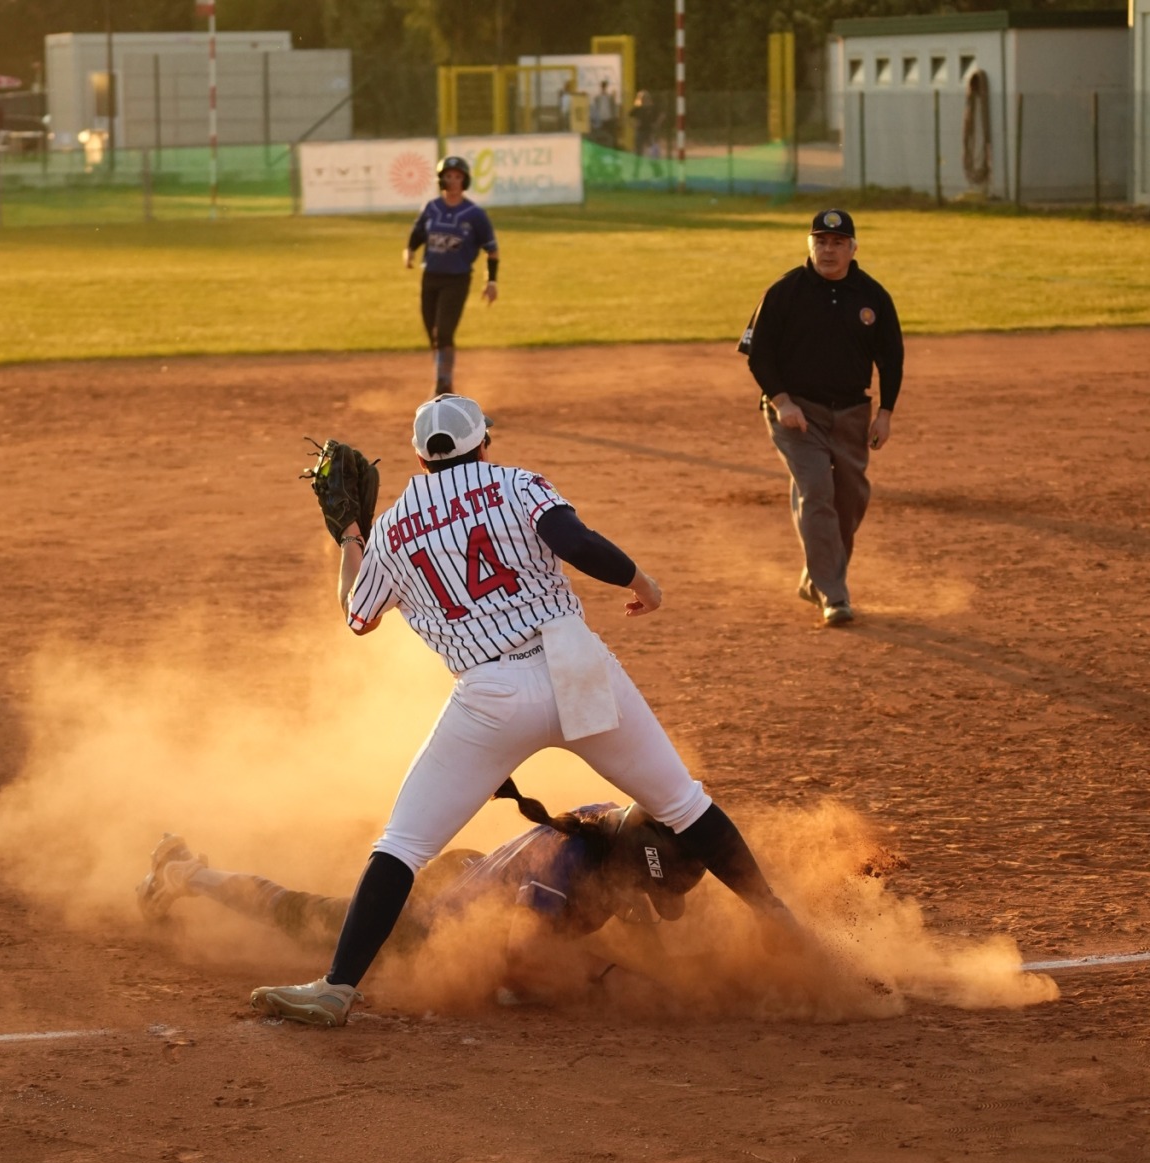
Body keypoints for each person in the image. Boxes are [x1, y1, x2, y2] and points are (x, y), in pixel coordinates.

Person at [249, 393, 797, 1026]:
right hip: (579, 671)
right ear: (484, 443)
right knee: (682, 803)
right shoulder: (517, 483)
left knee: (403, 844)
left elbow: (358, 616)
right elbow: (575, 541)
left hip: (490, 696)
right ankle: (783, 925)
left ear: (420, 459)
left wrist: (352, 536)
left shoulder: (394, 527)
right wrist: (640, 583)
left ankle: (337, 988)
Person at [140, 779, 710, 1009]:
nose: (639, 896)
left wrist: (668, 984)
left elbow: (638, 928)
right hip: (423, 926)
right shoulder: (566, 863)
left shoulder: (609, 826)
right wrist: (601, 983)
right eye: (643, 882)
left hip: (467, 876)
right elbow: (521, 962)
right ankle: (183, 872)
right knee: (301, 913)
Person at [738, 209, 904, 626]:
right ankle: (834, 594)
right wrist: (782, 402)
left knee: (850, 499)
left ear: (853, 249)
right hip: (797, 413)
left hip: (852, 413)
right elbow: (759, 355)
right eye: (821, 241)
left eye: (838, 243)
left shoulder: (872, 296)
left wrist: (885, 413)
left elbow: (892, 359)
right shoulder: (785, 291)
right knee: (816, 490)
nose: (829, 250)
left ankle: (816, 577)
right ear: (810, 245)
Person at [403, 155, 499, 397]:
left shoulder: (474, 214)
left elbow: (492, 250)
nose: (453, 181)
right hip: (430, 277)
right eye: (448, 176)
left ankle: (442, 384)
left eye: (458, 177)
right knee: (432, 333)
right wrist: (410, 251)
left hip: (457, 279)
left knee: (444, 332)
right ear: (441, 180)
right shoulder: (431, 208)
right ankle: (443, 380)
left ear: (465, 181)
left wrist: (491, 281)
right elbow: (417, 234)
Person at [629, 90, 662, 177]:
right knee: (638, 153)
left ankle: (657, 171)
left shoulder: (653, 108)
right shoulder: (638, 108)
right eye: (643, 98)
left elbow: (661, 115)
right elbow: (629, 116)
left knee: (652, 152)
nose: (645, 100)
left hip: (649, 132)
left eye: (646, 98)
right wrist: (633, 125)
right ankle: (636, 172)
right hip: (640, 132)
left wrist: (657, 124)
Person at [590, 79, 619, 148]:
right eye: (602, 86)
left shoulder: (609, 97)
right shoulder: (597, 98)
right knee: (602, 136)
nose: (603, 88)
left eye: (604, 86)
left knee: (609, 136)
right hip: (601, 119)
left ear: (606, 87)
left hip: (608, 119)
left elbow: (613, 108)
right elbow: (595, 109)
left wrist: (615, 117)